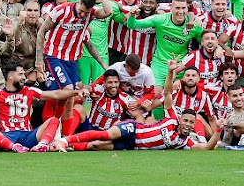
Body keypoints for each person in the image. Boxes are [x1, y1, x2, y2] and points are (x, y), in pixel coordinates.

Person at [58, 59, 220, 151]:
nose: (188, 124)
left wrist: (218, 130)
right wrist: (171, 73)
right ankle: (64, 141)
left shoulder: (184, 142)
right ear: (180, 119)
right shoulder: (172, 117)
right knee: (105, 135)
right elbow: (168, 93)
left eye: (191, 123)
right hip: (134, 128)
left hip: (134, 144)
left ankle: (68, 146)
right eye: (186, 120)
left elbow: (206, 148)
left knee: (95, 146)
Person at [35, 0, 111, 135]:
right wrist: (39, 60)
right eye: (81, 11)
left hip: (72, 60)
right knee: (67, 90)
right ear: (78, 2)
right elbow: (41, 31)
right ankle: (54, 126)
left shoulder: (91, 14)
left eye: (86, 12)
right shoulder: (61, 10)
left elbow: (108, 11)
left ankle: (65, 137)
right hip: (53, 56)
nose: (83, 15)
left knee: (71, 98)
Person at [125, 0, 203, 92]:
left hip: (180, 67)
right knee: (155, 95)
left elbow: (204, 42)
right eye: (177, 8)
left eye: (183, 8)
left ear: (187, 9)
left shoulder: (194, 26)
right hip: (160, 65)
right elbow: (133, 25)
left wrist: (218, 48)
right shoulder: (160, 19)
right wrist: (132, 16)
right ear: (171, 8)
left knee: (176, 98)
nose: (181, 11)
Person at [70, 69, 144, 133]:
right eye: (110, 82)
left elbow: (139, 117)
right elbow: (85, 87)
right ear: (104, 83)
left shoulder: (124, 98)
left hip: (109, 135)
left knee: (118, 124)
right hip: (90, 129)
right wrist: (83, 89)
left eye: (116, 82)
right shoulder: (99, 90)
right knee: (78, 107)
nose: (113, 85)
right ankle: (66, 137)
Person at [106, 53, 156, 118]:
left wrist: (139, 103)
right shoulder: (117, 68)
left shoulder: (147, 72)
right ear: (125, 66)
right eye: (131, 73)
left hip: (140, 107)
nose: (134, 75)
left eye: (136, 72)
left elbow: (151, 93)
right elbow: (102, 80)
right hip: (121, 105)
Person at [109, 0, 141, 65]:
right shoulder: (116, 0)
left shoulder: (142, 3)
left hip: (134, 50)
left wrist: (134, 10)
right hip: (115, 49)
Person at [123, 0, 158, 66]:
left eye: (151, 3)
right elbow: (119, 5)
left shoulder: (159, 18)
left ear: (156, 5)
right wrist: (131, 13)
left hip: (151, 62)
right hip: (131, 59)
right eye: (145, 2)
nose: (148, 5)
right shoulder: (134, 13)